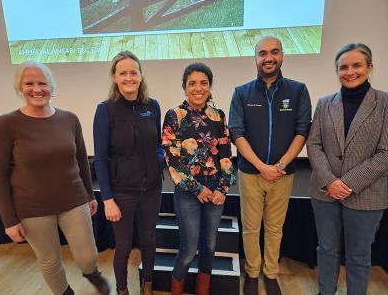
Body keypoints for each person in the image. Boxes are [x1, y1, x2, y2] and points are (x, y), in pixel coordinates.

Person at [0, 61, 109, 295]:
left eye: (42, 83)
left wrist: (89, 194)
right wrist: (8, 220)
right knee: (49, 260)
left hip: (73, 200)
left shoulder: (69, 119)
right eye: (29, 84)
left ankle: (91, 273)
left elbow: (82, 160)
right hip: (32, 208)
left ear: (51, 87)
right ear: (20, 88)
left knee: (88, 255)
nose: (37, 89)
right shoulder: (7, 124)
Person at [228, 36, 312, 295]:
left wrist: (280, 164)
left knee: (275, 228)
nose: (268, 58)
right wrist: (262, 166)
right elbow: (236, 132)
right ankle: (252, 273)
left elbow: (302, 130)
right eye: (262, 53)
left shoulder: (298, 91)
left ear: (282, 55)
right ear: (255, 58)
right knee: (251, 228)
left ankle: (271, 273)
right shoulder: (241, 93)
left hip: (283, 175)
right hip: (250, 173)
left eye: (274, 52)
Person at [307, 43, 388, 295]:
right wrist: (331, 181)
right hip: (325, 192)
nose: (350, 72)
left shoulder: (384, 103)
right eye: (344, 67)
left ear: (369, 68)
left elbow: (385, 153)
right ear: (337, 71)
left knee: (359, 255)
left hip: (367, 195)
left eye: (357, 66)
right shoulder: (324, 103)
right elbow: (314, 144)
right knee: (326, 249)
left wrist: (349, 183)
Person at [93, 51, 163, 295]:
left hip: (152, 190)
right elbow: (100, 159)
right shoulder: (105, 110)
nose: (129, 77)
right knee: (123, 247)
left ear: (141, 76)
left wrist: (158, 161)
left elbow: (158, 144)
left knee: (149, 242)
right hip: (121, 194)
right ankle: (122, 290)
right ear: (114, 77)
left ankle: (148, 286)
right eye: (123, 73)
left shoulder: (152, 106)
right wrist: (108, 199)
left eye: (134, 72)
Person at [162, 62, 235, 295]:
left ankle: (203, 290)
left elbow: (225, 155)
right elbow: (172, 161)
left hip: (215, 191)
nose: (198, 88)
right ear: (184, 87)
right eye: (192, 83)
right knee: (189, 248)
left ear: (210, 86)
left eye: (203, 83)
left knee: (210, 246)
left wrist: (223, 188)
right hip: (188, 193)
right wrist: (197, 188)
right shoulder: (174, 116)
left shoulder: (219, 116)